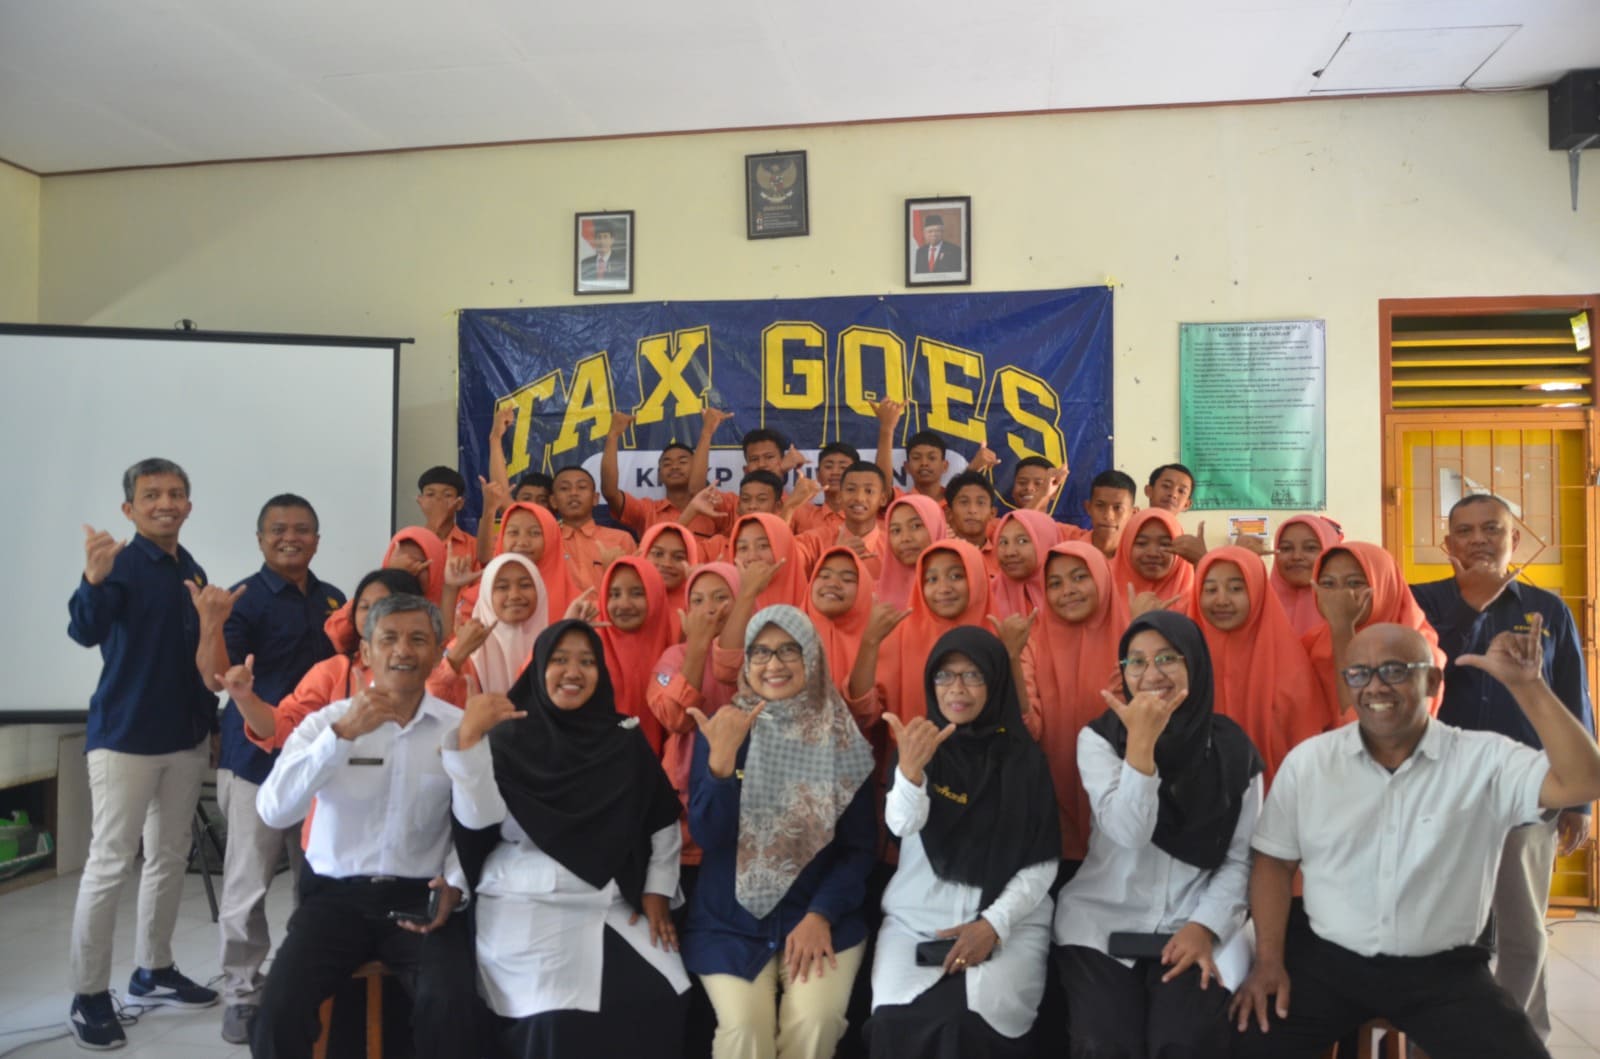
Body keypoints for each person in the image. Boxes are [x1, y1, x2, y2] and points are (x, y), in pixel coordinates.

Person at [1231, 621, 1600, 1057]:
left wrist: (1529, 686)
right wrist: (1269, 961)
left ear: (1433, 681)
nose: (1375, 687)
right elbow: (1274, 862)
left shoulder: (1484, 758)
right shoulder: (1310, 762)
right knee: (1242, 1045)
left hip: (1446, 973)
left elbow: (1584, 781)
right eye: (1359, 674)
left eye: (1395, 670)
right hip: (1329, 963)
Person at [250, 593, 483, 1059]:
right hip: (334, 898)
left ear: (437, 652)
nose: (403, 650)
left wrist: (455, 884)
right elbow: (274, 810)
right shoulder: (326, 724)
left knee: (453, 1008)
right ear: (367, 652)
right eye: (389, 638)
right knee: (276, 1013)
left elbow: (475, 820)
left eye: (418, 639)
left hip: (420, 899)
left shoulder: (458, 728)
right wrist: (340, 739)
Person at [451, 620, 689, 1058]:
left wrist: (657, 890)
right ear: (539, 668)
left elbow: (660, 818)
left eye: (587, 661)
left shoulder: (622, 737)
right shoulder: (506, 738)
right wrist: (469, 742)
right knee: (557, 1020)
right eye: (559, 660)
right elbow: (475, 822)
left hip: (609, 902)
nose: (573, 672)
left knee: (661, 998)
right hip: (525, 901)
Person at [1409, 494, 1594, 1042]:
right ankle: (1436, 1041)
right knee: (1439, 931)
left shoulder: (1547, 608)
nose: (1479, 540)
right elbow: (1420, 677)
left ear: (1514, 538)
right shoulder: (1421, 602)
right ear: (1447, 544)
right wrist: (1472, 608)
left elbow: (1572, 698)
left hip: (1528, 791)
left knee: (1523, 931)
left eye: (1491, 529)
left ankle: (1518, 1039)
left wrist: (1580, 802)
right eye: (1464, 531)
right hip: (1438, 791)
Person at [1054, 611, 1264, 1059]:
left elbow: (1239, 859)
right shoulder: (1099, 739)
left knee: (1184, 1041)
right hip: (1103, 920)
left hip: (1194, 918)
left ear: (1195, 664)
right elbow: (1130, 832)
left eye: (1168, 658)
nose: (1151, 674)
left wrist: (1204, 927)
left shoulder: (1233, 751)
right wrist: (1140, 746)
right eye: (1136, 661)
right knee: (1105, 1043)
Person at [66, 458, 220, 1049]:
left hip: (183, 737)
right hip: (125, 738)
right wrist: (92, 580)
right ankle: (87, 994)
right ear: (129, 508)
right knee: (110, 865)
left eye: (176, 493)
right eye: (152, 494)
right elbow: (84, 631)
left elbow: (198, 657)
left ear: (189, 506)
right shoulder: (120, 564)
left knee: (169, 857)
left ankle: (153, 970)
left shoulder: (192, 568)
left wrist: (208, 726)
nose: (166, 503)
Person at [682, 605, 877, 1059]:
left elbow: (860, 848)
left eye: (790, 650)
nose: (774, 664)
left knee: (816, 1022)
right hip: (730, 923)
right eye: (761, 652)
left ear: (812, 657)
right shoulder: (724, 727)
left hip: (818, 918)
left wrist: (821, 915)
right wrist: (720, 766)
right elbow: (708, 837)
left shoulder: (842, 738)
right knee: (743, 1032)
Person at [190, 493, 346, 1044]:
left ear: (317, 540)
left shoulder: (333, 600)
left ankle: (309, 980)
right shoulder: (243, 599)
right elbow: (214, 677)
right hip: (254, 763)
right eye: (278, 529)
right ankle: (242, 991)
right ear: (260, 539)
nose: (290, 538)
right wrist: (211, 626)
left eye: (302, 529)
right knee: (247, 884)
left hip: (319, 767)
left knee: (318, 880)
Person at [865, 627, 1060, 1058]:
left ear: (996, 681)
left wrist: (992, 925)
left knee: (967, 1026)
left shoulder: (1024, 760)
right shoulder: (919, 745)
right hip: (916, 919)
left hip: (1009, 924)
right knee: (894, 1022)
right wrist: (910, 773)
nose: (957, 688)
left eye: (973, 675)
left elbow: (1041, 862)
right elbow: (902, 825)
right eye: (944, 675)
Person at [1020, 541, 1131, 865]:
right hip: (1053, 806)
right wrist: (1011, 660)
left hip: (1122, 808)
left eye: (1080, 577)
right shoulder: (1032, 641)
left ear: (1102, 578)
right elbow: (1030, 727)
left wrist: (1138, 651)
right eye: (1055, 583)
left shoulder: (1130, 638)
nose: (1067, 590)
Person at [236, 569, 425, 753]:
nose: (371, 615)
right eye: (364, 606)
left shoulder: (429, 667)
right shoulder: (334, 671)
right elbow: (285, 728)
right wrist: (245, 699)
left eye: (382, 606)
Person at [1194, 546, 1328, 783]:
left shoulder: (1291, 666)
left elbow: (1309, 750)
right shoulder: (1186, 658)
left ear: (1258, 592)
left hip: (1278, 796)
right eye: (1210, 589)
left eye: (1236, 588)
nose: (1221, 600)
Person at [1303, 541, 1444, 724]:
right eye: (1328, 584)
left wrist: (1343, 628)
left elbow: (1367, 725)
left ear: (1385, 586)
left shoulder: (1417, 648)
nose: (1341, 595)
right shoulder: (1311, 643)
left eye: (1354, 583)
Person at [432, 553, 550, 704]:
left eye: (525, 585)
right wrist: (457, 656)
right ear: (486, 594)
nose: (515, 595)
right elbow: (431, 700)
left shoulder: (553, 646)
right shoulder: (467, 648)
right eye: (502, 587)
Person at [601, 410, 726, 543]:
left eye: (682, 462)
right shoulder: (647, 511)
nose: (674, 467)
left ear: (698, 468)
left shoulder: (716, 508)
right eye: (667, 464)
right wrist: (613, 436)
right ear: (659, 476)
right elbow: (610, 493)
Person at [598, 557, 677, 755]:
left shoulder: (673, 653)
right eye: (614, 594)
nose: (624, 604)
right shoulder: (588, 650)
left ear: (655, 597)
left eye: (637, 593)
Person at [552, 465, 637, 592]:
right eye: (564, 488)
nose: (573, 493)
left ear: (595, 498)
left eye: (582, 487)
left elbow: (636, 588)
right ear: (553, 501)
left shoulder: (621, 539)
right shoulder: (547, 541)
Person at [1268, 515, 1343, 636]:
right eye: (1286, 548)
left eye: (1310, 548)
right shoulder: (1257, 606)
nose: (1296, 556)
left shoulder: (1350, 609)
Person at [1110, 508, 1195, 605]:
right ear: (1126, 545)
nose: (1153, 553)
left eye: (1165, 544)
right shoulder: (1103, 589)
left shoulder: (1200, 598)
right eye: (1141, 543)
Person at [878, 494, 948, 609]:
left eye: (916, 526)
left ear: (936, 527)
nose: (905, 538)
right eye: (896, 530)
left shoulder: (957, 591)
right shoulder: (874, 598)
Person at [990, 509, 1061, 619]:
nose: (1009, 552)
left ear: (1046, 543)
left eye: (1022, 541)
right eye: (1003, 542)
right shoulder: (986, 597)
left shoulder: (1071, 595)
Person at [792, 441, 860, 536]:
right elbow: (777, 542)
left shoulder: (865, 518)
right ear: (817, 474)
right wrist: (790, 505)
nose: (835, 472)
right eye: (828, 467)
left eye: (843, 467)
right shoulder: (801, 514)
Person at [416, 465, 479, 567]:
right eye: (430, 494)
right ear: (420, 501)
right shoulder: (409, 543)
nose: (438, 499)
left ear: (460, 503)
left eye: (447, 495)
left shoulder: (474, 547)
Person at [944, 472, 1001, 577]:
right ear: (949, 513)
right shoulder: (939, 555)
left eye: (980, 503)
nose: (972, 510)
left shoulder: (1003, 557)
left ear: (992, 513)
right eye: (964, 502)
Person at [1080, 469, 1140, 557]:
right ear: (1088, 508)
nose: (1108, 516)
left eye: (1118, 508)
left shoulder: (1140, 558)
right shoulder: (1070, 548)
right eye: (1100, 505)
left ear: (1133, 513)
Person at [580, 219, 627, 284]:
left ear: (612, 240)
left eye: (605, 237)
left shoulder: (622, 262)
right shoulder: (585, 263)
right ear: (595, 240)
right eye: (599, 237)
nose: (602, 241)